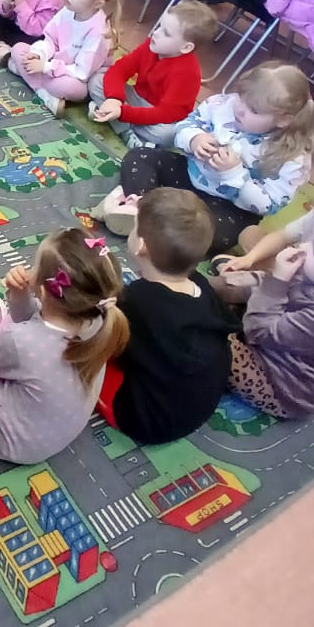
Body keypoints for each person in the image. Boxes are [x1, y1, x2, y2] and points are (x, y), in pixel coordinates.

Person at [99, 62, 314, 254]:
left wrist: (234, 174)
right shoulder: (222, 105)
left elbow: (267, 205)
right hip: (189, 174)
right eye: (241, 97)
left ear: (283, 120)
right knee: (139, 157)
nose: (240, 109)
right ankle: (138, 205)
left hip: (229, 206)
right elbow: (185, 125)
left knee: (217, 235)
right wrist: (195, 139)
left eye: (253, 109)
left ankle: (153, 218)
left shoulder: (292, 157)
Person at [0, 229, 129, 464]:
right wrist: (19, 296)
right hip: (48, 433)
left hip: (2, 437)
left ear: (43, 291)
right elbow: (36, 320)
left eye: (34, 265)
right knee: (14, 332)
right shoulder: (97, 319)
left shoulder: (23, 340)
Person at [96, 189, 236, 443]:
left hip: (150, 421)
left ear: (142, 245)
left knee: (84, 355)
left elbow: (106, 340)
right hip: (197, 406)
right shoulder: (200, 283)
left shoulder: (138, 299)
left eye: (134, 225)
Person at [222, 212, 314, 419]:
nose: (303, 247)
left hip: (279, 385)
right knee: (226, 284)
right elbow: (275, 289)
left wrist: (278, 279)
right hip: (272, 329)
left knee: (210, 343)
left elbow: (258, 330)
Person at [88, 0, 219, 149]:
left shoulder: (187, 73)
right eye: (159, 26)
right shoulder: (152, 45)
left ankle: (118, 123)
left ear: (186, 47)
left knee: (169, 135)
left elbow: (166, 113)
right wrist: (114, 98)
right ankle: (124, 127)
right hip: (136, 100)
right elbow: (120, 69)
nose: (156, 33)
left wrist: (122, 112)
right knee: (97, 79)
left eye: (166, 33)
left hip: (160, 116)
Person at [8, 0, 121, 118]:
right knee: (18, 48)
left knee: (69, 87)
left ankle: (30, 80)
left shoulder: (99, 32)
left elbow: (82, 72)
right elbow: (50, 40)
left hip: (77, 79)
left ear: (97, 3)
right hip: (55, 66)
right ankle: (43, 92)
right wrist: (38, 55)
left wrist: (46, 67)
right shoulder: (69, 10)